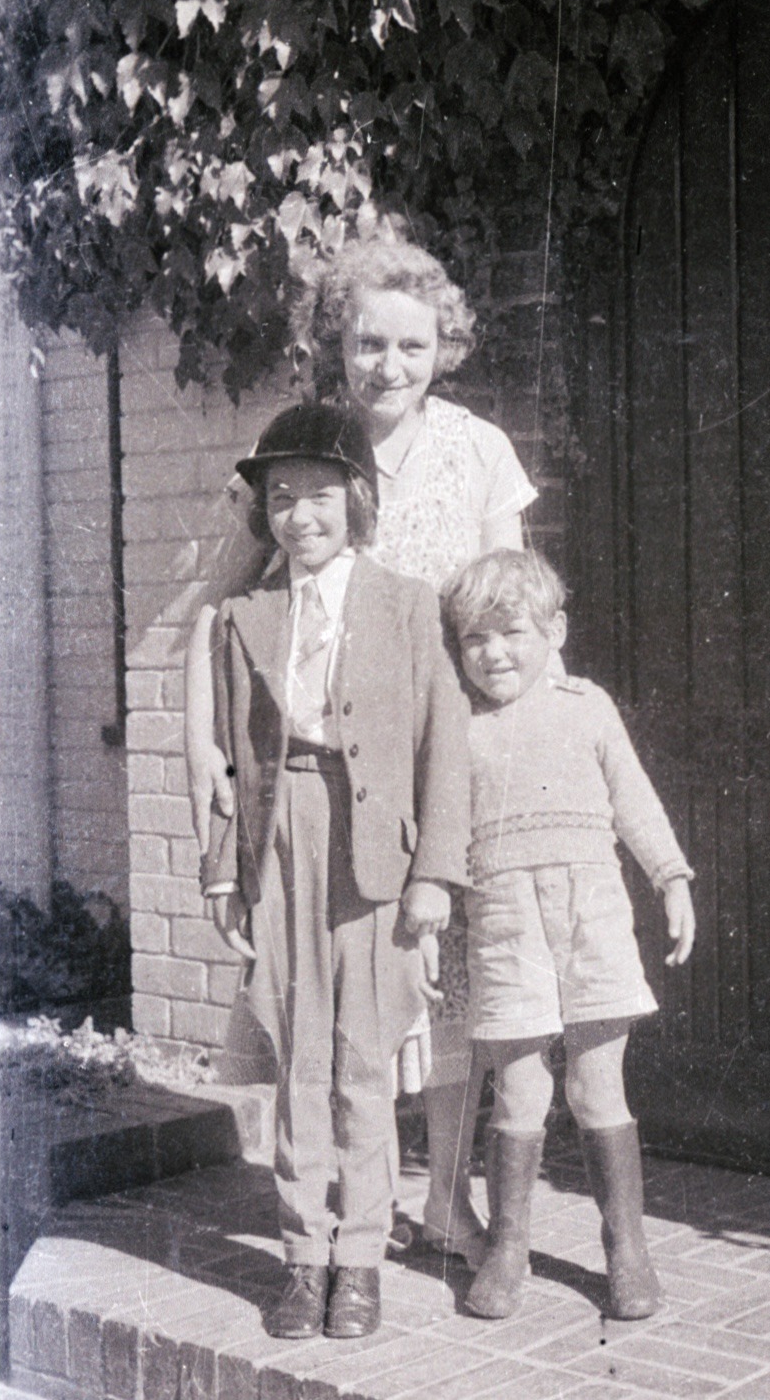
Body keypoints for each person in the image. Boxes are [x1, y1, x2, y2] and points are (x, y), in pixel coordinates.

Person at [185, 217, 538, 1266]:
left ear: (446, 348)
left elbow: (508, 600)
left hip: (453, 742)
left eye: (413, 345)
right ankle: (345, 1206)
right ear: (336, 344)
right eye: (369, 343)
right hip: (336, 766)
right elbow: (217, 610)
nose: (391, 365)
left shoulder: (479, 450)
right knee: (348, 989)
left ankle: (443, 1196)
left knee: (452, 976)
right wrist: (201, 742)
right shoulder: (303, 450)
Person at [200, 402, 471, 1339]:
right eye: (280, 496)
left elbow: (445, 747)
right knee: (295, 1058)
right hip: (281, 841)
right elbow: (230, 761)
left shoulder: (407, 602)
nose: (300, 514)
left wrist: (434, 874)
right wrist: (224, 874)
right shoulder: (246, 614)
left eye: (319, 494)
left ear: (356, 500)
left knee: (364, 1057)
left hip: (377, 855)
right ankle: (301, 1255)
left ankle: (358, 1260)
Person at [440, 549, 698, 1322]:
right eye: (474, 639)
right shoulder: (459, 725)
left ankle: (626, 1248)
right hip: (503, 921)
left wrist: (671, 877)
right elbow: (442, 832)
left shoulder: (588, 706)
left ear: (554, 629)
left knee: (595, 1084)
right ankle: (508, 1246)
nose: (493, 652)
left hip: (592, 914)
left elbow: (634, 799)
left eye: (510, 631)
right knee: (518, 1087)